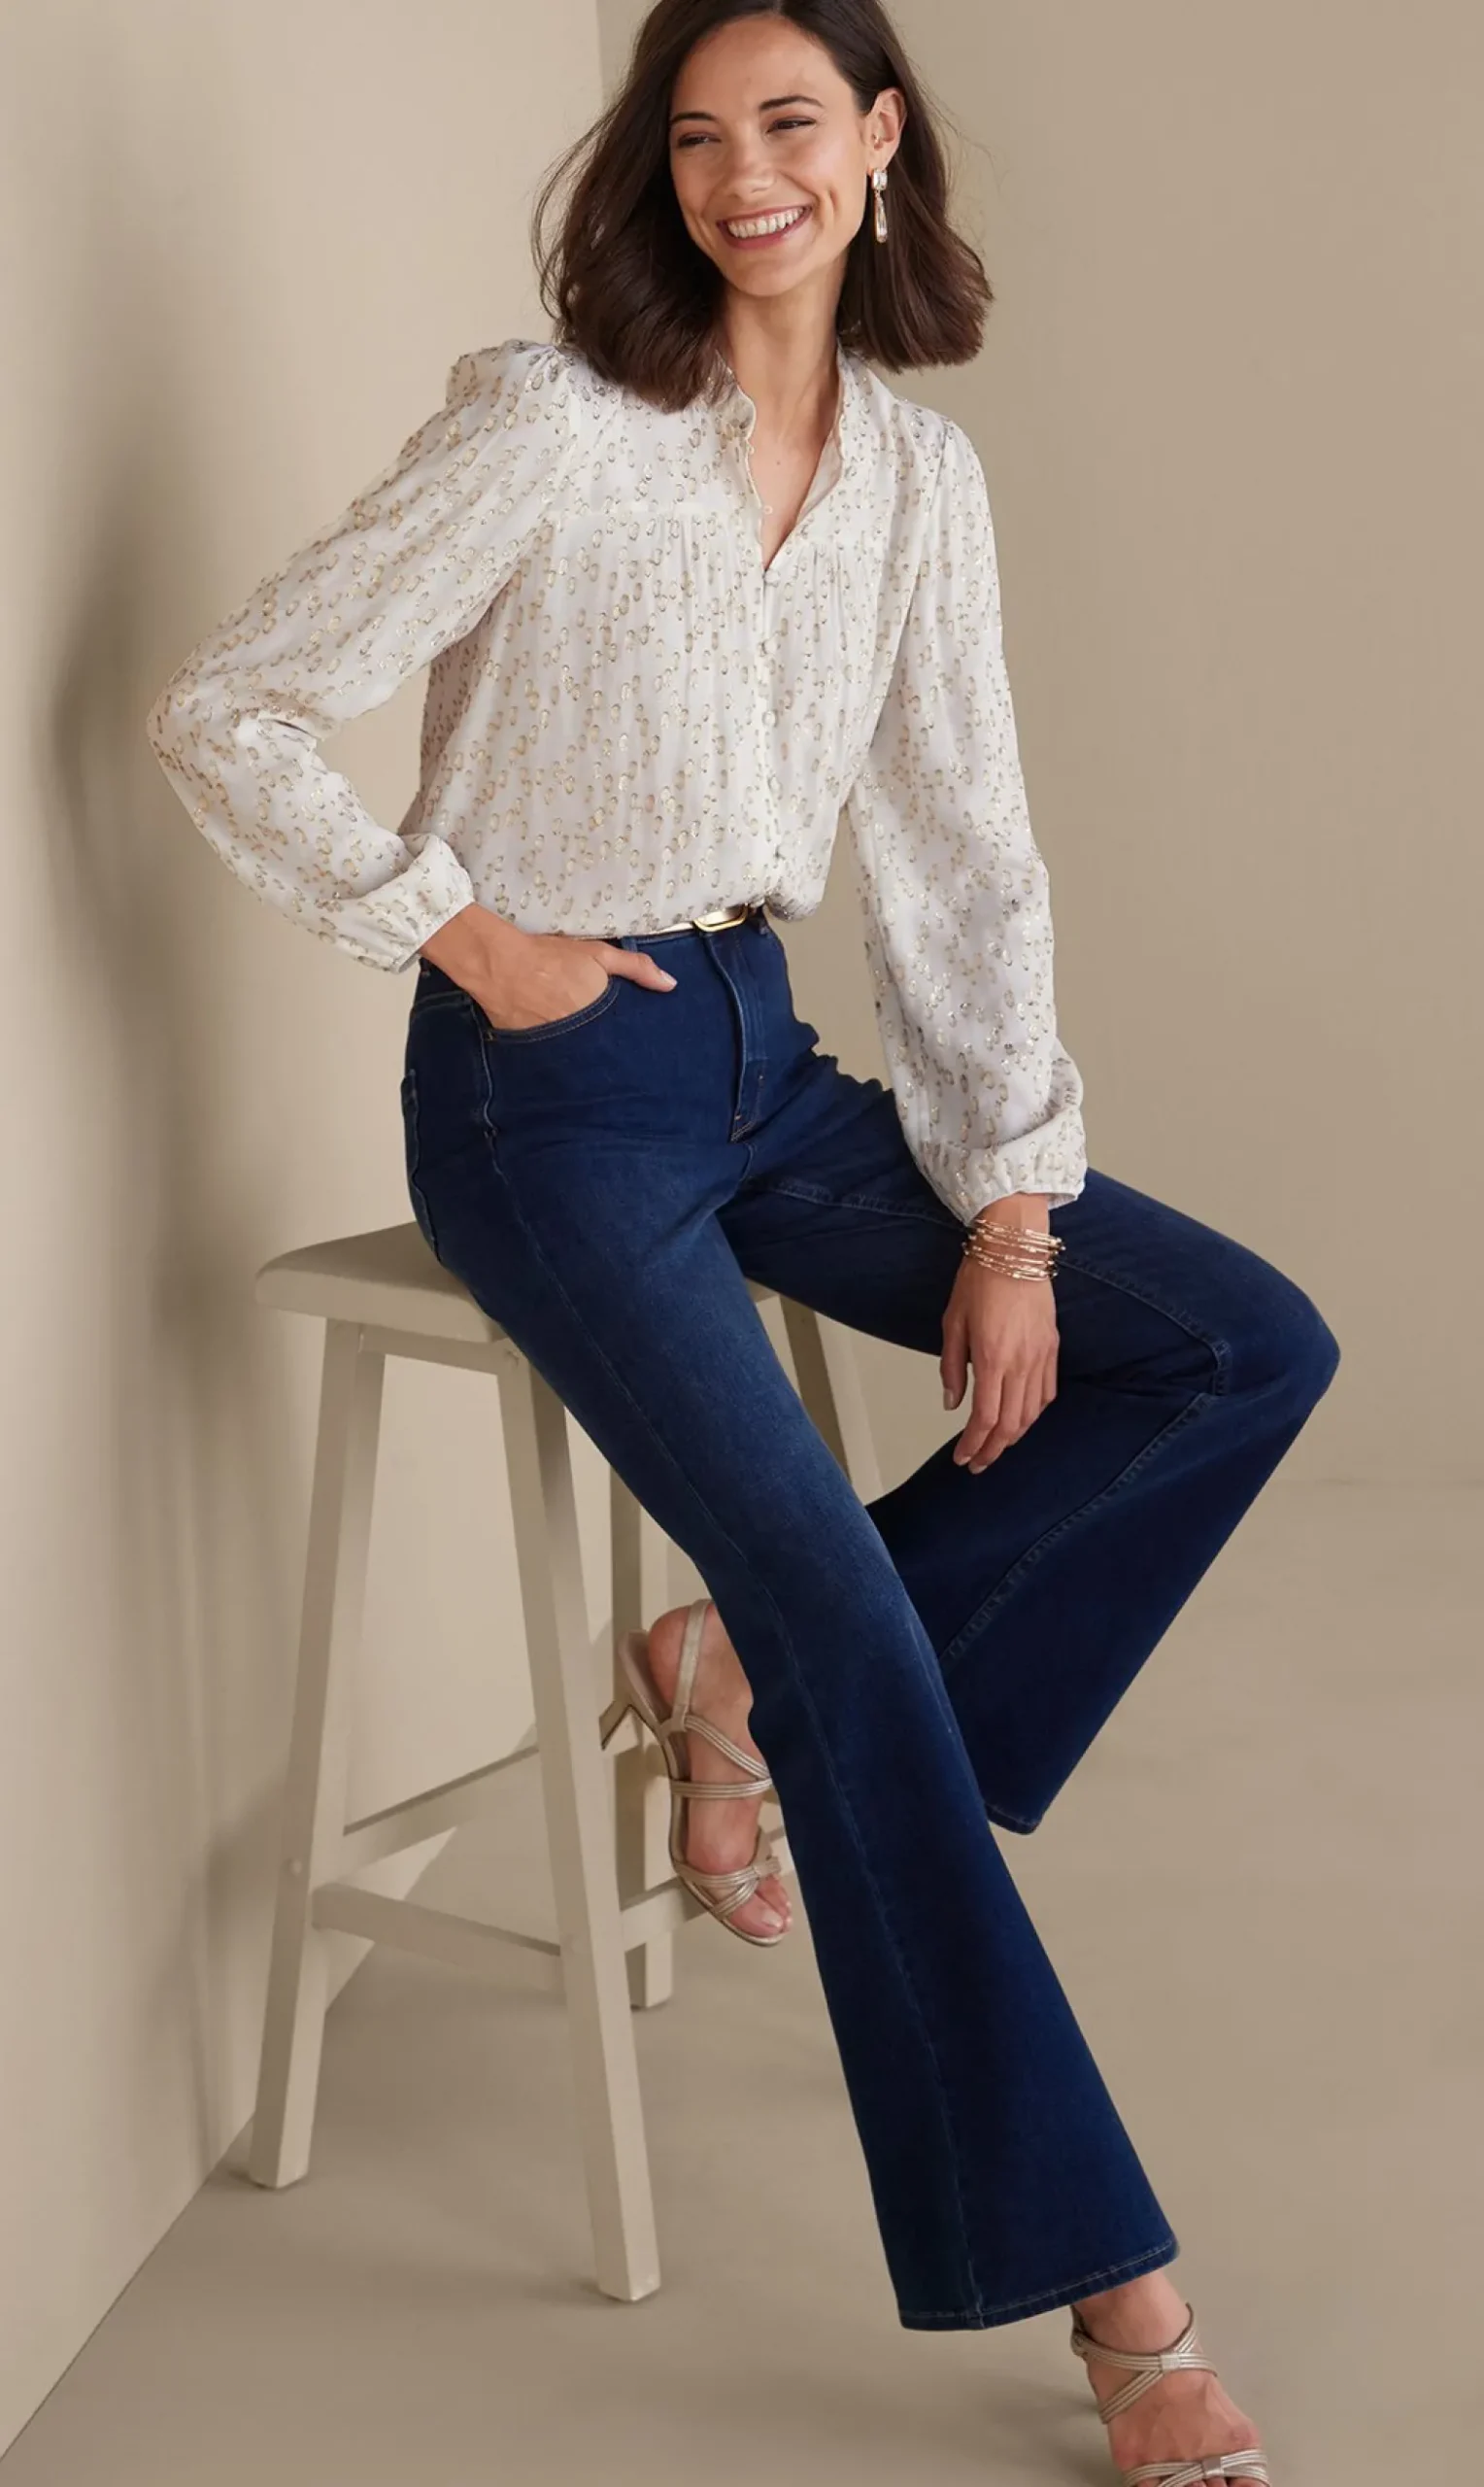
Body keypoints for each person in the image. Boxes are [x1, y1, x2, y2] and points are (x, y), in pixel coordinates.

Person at [145, 4, 1337, 2478]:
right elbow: (230, 703)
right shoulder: (551, 423)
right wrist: (466, 936)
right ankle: (1122, 2305)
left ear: (880, 141)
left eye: (789, 122)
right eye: (696, 136)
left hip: (769, 1063)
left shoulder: (915, 476)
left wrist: (1012, 1210)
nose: (742, 175)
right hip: (550, 1101)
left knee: (1234, 1342)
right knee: (858, 1643)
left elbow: (968, 852)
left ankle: (733, 1668)